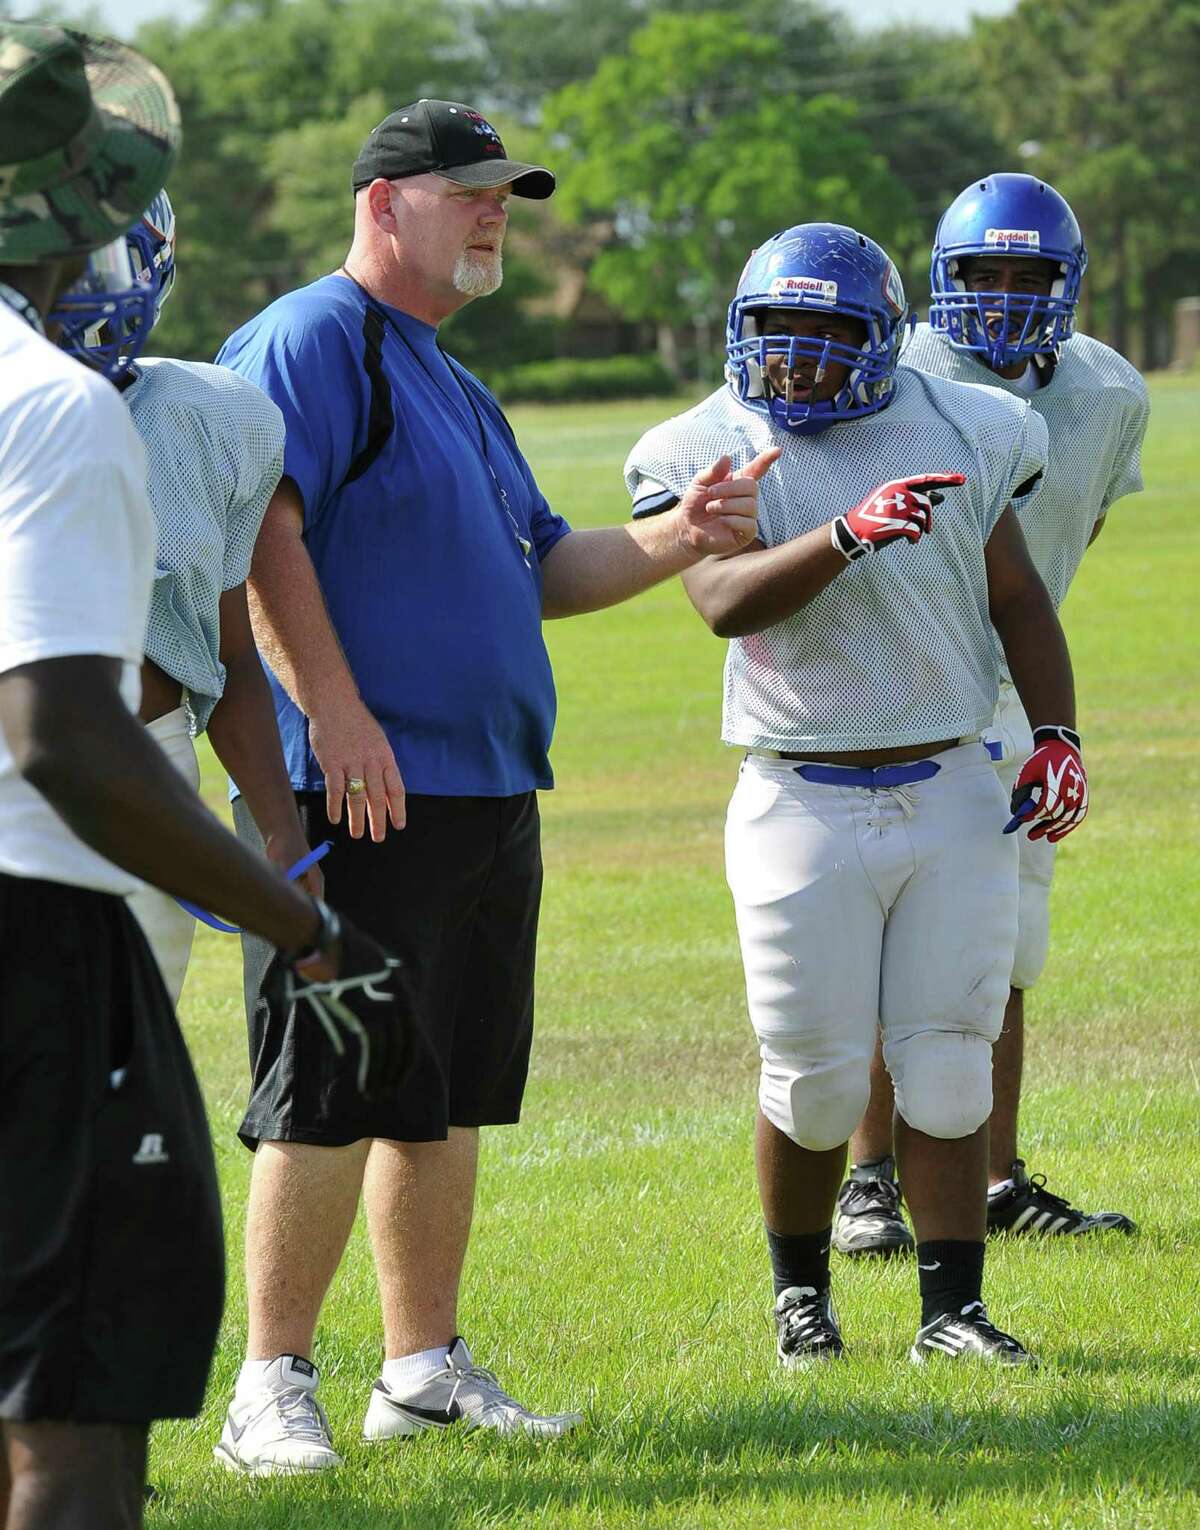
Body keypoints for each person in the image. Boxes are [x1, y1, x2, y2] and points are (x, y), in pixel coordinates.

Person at [213, 97, 773, 1474]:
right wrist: (334, 712)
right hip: (361, 793)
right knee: (328, 1093)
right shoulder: (311, 339)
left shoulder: (454, 376)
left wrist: (674, 537)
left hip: (482, 794)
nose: (493, 216)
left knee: (444, 1094)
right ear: (380, 201)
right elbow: (258, 528)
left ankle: (421, 1368)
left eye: (505, 196)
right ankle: (269, 1385)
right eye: (466, 190)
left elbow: (543, 565)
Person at [0, 26, 409, 1529]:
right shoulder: (55, 407)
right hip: (38, 911)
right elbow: (62, 735)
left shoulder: (189, 413)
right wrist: (301, 918)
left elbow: (227, 643)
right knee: (77, 1406)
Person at [625, 222, 1089, 1368]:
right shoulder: (707, 444)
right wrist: (843, 533)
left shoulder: (965, 423)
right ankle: (801, 1300)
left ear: (882, 339)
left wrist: (1058, 734)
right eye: (776, 337)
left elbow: (1018, 597)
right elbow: (722, 600)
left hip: (951, 781)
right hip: (801, 791)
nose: (799, 363)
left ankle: (952, 1312)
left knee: (946, 1063)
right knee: (818, 1078)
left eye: (827, 338)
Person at [834, 174, 1144, 1258]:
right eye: (981, 274)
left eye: (1030, 275)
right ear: (937, 280)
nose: (1006, 296)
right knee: (891, 937)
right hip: (903, 688)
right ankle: (867, 1182)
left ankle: (999, 1177)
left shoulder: (1107, 389)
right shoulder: (898, 370)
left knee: (1003, 949)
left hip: (1017, 691)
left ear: (1071, 285)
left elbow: (1064, 547)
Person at [56, 191, 317, 1006]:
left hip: (149, 762)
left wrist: (281, 836)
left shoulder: (208, 415)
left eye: (90, 261)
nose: (64, 285)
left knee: (120, 1074)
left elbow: (229, 650)